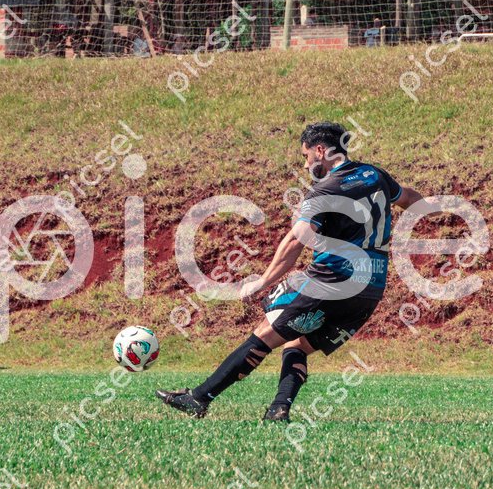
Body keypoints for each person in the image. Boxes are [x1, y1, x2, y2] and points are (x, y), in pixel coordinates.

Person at [156, 122, 422, 423]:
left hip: (331, 281)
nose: (306, 165)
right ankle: (279, 409)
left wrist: (262, 282)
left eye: (306, 156)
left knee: (264, 335)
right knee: (297, 345)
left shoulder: (326, 189)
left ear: (320, 151)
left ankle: (199, 398)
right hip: (370, 290)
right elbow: (408, 198)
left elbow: (297, 239)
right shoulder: (374, 175)